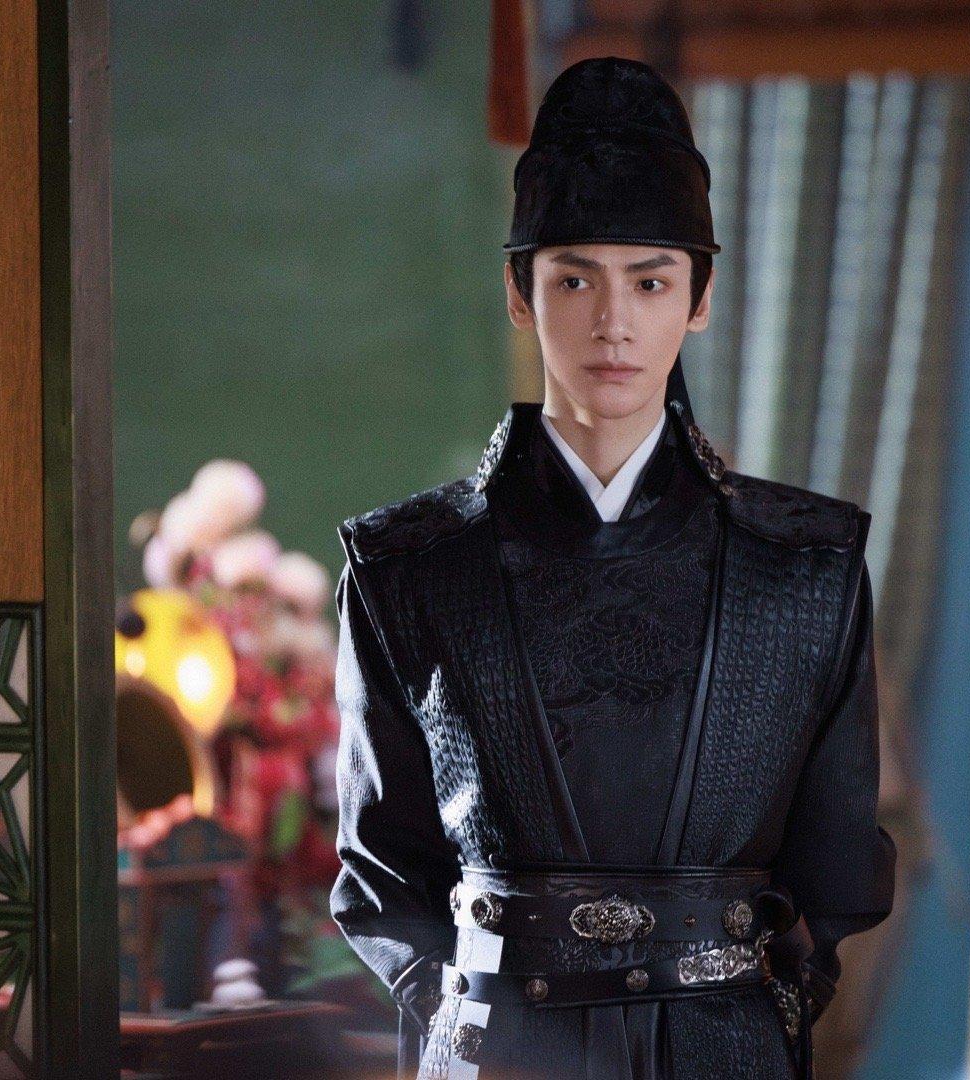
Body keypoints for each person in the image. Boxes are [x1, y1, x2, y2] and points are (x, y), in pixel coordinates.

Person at [330, 56, 895, 1080]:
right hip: (497, 1047)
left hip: (725, 1048)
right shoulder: (408, 567)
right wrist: (465, 1022)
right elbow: (383, 872)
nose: (612, 322)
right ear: (518, 291)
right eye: (572, 278)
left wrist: (752, 1017)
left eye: (650, 281)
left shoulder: (803, 566)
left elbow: (840, 869)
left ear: (699, 298)